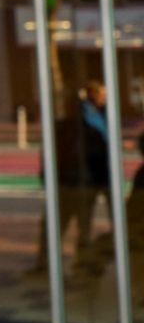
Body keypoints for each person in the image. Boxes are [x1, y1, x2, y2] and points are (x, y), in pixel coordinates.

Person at [37, 82, 112, 278]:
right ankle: (56, 262)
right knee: (71, 225)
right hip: (74, 184)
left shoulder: (77, 127)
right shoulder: (77, 130)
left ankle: (56, 262)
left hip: (74, 184)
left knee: (73, 226)